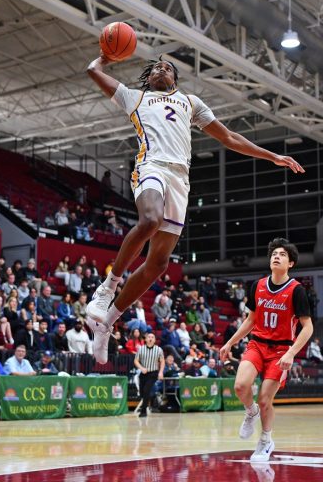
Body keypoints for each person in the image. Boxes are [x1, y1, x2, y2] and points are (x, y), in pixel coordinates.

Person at [84, 57, 304, 365]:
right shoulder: (135, 97)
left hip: (180, 179)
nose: (163, 68)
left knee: (158, 263)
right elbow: (93, 72)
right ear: (148, 77)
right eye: (157, 67)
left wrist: (272, 156)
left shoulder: (190, 102)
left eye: (169, 67)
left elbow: (229, 138)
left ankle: (106, 322)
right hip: (151, 167)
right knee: (149, 219)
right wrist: (105, 58)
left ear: (174, 79)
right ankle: (106, 289)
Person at [219, 238, 313, 462]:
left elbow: (308, 327)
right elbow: (250, 320)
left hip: (281, 351)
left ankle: (265, 440)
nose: (276, 256)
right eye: (274, 254)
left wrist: (291, 353)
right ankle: (250, 412)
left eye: (282, 254)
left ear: (290, 263)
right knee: (241, 386)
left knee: (264, 400)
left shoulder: (296, 290)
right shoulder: (258, 285)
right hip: (257, 344)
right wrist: (230, 342)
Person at [134, 332, 165, 417]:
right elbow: (136, 361)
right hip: (143, 373)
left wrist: (161, 372)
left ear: (154, 340)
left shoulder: (159, 349)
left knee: (146, 390)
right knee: (142, 392)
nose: (150, 338)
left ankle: (143, 411)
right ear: (146, 339)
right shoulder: (141, 349)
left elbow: (162, 361)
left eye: (152, 337)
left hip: (153, 373)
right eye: (149, 337)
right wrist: (141, 368)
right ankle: (145, 404)